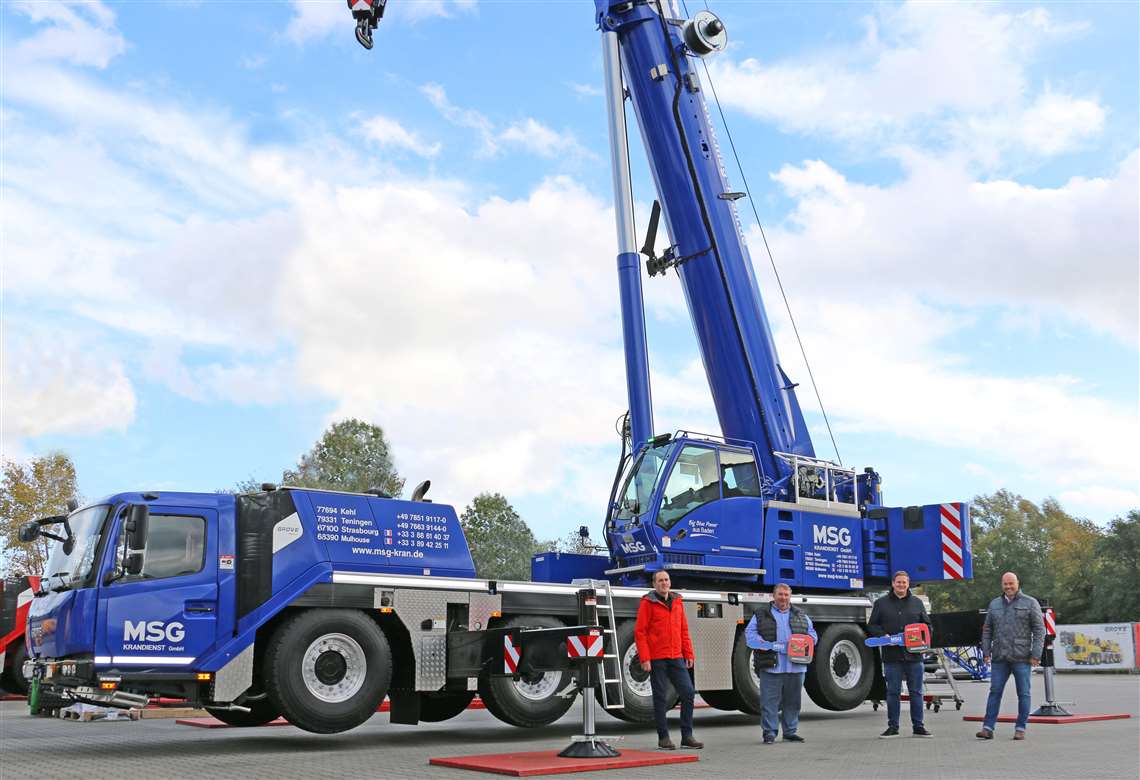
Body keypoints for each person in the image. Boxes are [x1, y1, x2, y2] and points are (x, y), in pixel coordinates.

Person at [635, 569, 702, 750]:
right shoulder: (648, 603)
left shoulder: (678, 602)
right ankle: (663, 737)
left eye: (666, 580)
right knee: (661, 697)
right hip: (657, 658)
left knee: (688, 693)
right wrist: (645, 658)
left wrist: (688, 654)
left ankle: (687, 736)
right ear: (654, 584)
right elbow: (640, 632)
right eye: (660, 581)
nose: (664, 583)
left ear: (670, 582)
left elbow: (683, 630)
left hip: (676, 656)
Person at [744, 582, 818, 744]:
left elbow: (813, 635)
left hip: (796, 666)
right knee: (769, 702)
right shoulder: (761, 614)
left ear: (790, 597)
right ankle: (769, 733)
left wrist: (804, 642)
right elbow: (750, 636)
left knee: (793, 702)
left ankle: (790, 732)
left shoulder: (801, 614)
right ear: (773, 596)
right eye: (780, 594)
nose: (783, 598)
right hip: (771, 666)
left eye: (786, 595)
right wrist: (765, 644)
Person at [977, 572, 1045, 741]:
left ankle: (1020, 728)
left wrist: (1036, 654)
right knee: (994, 692)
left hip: (1022, 657)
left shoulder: (1030, 603)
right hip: (1000, 657)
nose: (1008, 587)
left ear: (1017, 583)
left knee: (1024, 693)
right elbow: (987, 630)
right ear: (1002, 585)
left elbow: (1039, 630)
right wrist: (986, 651)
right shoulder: (994, 604)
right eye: (1005, 584)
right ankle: (987, 728)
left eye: (1011, 583)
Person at [867, 571, 933, 738]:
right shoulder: (881, 604)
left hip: (914, 656)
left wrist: (921, 637)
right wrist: (883, 635)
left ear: (908, 583)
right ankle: (893, 727)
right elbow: (872, 625)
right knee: (893, 692)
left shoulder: (917, 603)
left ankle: (918, 726)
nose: (901, 585)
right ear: (893, 583)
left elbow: (927, 627)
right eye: (898, 582)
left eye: (904, 582)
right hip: (891, 656)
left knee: (916, 692)